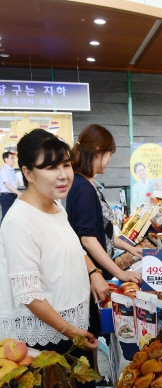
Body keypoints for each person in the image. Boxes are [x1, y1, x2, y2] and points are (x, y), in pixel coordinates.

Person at [0, 129, 106, 364]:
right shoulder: (20, 221)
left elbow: (74, 248)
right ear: (28, 172)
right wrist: (70, 331)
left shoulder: (56, 207)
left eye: (66, 165)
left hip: (71, 326)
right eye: (50, 168)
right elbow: (29, 294)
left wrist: (93, 273)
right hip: (48, 341)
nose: (63, 175)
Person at [66, 124, 142, 339]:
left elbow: (102, 232)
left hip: (95, 273)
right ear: (98, 152)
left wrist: (130, 248)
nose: (109, 160)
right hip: (91, 277)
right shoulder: (82, 188)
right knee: (95, 333)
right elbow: (89, 240)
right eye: (109, 154)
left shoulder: (86, 184)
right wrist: (121, 273)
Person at [0, 151, 20, 221]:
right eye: (11, 158)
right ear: (6, 159)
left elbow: (15, 182)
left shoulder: (12, 170)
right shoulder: (3, 170)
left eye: (14, 158)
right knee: (5, 217)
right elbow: (7, 185)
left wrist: (17, 183)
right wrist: (19, 193)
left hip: (13, 195)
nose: (13, 160)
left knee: (12, 216)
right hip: (6, 196)